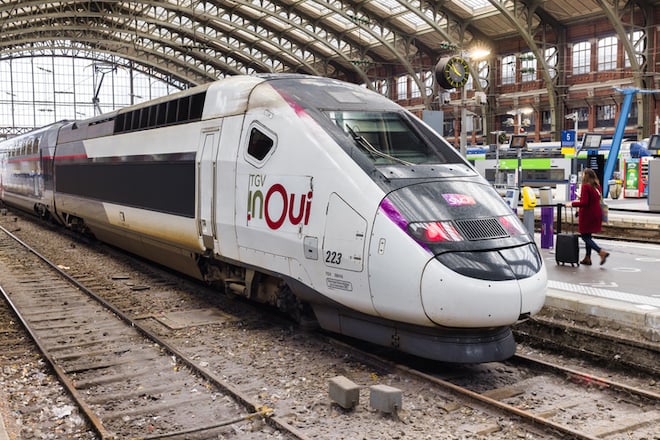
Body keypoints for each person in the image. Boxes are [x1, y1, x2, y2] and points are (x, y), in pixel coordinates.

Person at [566, 168, 610, 265]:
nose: (582, 175)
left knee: (584, 237)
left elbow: (585, 203)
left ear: (586, 176)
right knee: (588, 235)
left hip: (588, 214)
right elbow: (592, 200)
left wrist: (572, 204)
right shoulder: (597, 186)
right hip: (596, 213)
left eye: (583, 174)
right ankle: (587, 258)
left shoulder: (585, 186)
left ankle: (601, 252)